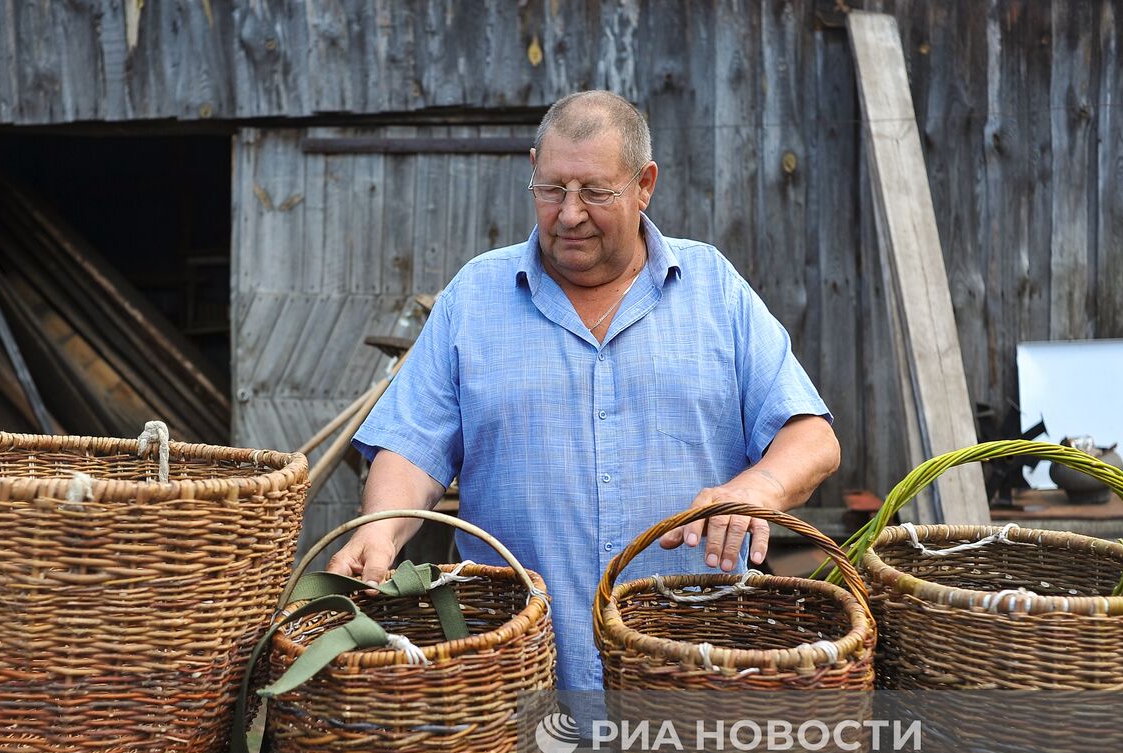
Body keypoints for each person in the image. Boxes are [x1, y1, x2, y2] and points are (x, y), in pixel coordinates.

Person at [331, 90, 839, 693]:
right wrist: (381, 529)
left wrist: (758, 487)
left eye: (595, 192)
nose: (570, 214)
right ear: (533, 171)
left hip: (691, 679)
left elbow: (812, 438)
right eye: (552, 190)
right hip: (515, 681)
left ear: (644, 185)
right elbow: (412, 446)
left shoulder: (714, 290)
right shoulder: (474, 297)